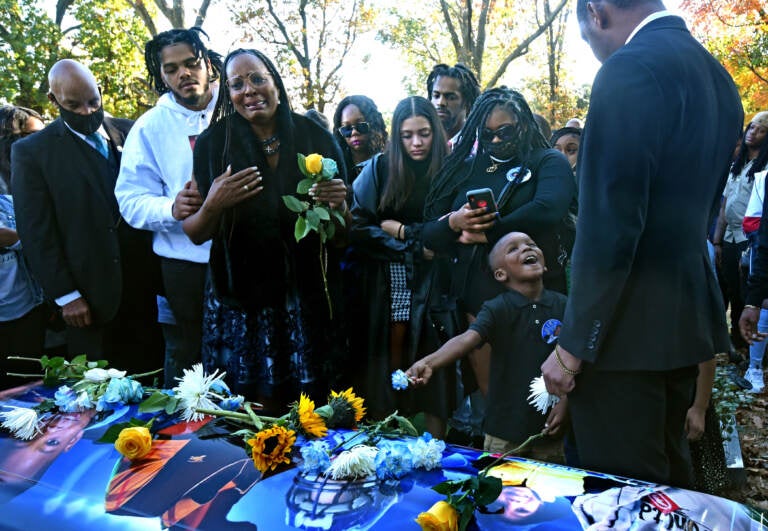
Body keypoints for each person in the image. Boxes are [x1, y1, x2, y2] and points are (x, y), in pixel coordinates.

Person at [542, 0, 743, 489]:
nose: (595, 54)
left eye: (588, 41)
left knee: (622, 504)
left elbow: (610, 224)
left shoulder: (627, 71)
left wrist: (573, 347)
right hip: (683, 326)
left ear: (597, 12)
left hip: (623, 339)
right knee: (669, 496)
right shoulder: (719, 79)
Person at [183, 49, 349, 409]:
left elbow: (342, 235)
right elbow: (196, 233)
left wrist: (340, 206)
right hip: (240, 303)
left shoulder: (315, 138)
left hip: (305, 301)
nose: (249, 90)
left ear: (275, 80)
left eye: (257, 78)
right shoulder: (214, 143)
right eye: (237, 84)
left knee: (310, 411)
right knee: (245, 413)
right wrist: (215, 201)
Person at [11, 60, 163, 373]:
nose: (86, 111)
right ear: (54, 101)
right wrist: (67, 296)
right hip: (89, 301)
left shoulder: (131, 131)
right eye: (73, 105)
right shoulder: (32, 153)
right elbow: (36, 232)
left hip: (146, 291)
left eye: (93, 101)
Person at [115, 27, 221, 386]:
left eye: (191, 64)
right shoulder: (149, 127)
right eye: (172, 69)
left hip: (247, 255)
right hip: (185, 268)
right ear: (161, 75)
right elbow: (129, 200)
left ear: (206, 64)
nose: (183, 74)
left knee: (247, 351)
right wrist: (169, 207)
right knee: (190, 356)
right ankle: (190, 437)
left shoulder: (238, 105)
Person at [407, 232, 568, 458]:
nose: (526, 248)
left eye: (531, 244)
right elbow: (467, 339)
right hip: (504, 433)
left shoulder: (564, 305)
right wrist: (429, 362)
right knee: (502, 490)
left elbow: (574, 362)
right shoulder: (497, 308)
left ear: (545, 265)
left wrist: (566, 403)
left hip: (550, 432)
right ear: (500, 274)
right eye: (513, 249)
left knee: (552, 491)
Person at [349, 96, 448, 435]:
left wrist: (405, 230)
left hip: (441, 277)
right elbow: (358, 225)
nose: (417, 143)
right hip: (388, 276)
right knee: (391, 351)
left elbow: (452, 227)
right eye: (407, 135)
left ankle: (436, 439)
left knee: (438, 355)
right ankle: (385, 424)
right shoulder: (379, 168)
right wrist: (407, 245)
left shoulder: (450, 168)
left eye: (424, 133)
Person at [713, 113, 768, 353]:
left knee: (747, 293)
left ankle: (748, 349)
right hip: (729, 237)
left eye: (760, 130)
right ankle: (733, 343)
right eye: (751, 127)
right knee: (729, 287)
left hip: (751, 238)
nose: (752, 133)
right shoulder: (737, 164)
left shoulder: (764, 167)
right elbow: (725, 204)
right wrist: (717, 240)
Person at [0, 106, 47, 389]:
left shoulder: (33, 176)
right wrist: (32, 240)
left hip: (31, 302)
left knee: (30, 384)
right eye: (32, 136)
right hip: (6, 301)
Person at [332, 95, 387, 181]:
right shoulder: (335, 167)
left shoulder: (390, 160)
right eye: (346, 128)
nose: (354, 132)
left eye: (361, 125)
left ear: (373, 125)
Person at [426, 63, 480, 145]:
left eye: (451, 97)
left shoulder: (479, 147)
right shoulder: (422, 145)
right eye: (436, 96)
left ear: (467, 103)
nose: (441, 103)